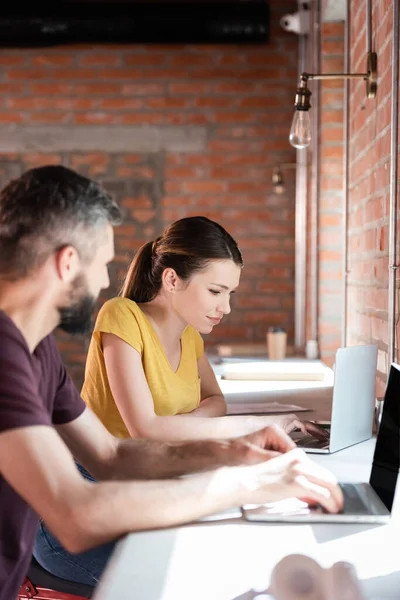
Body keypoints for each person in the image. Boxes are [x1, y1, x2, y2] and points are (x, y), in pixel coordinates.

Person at [0, 165, 343, 600]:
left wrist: (239, 453)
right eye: (102, 264)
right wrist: (251, 482)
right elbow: (75, 515)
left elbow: (111, 453)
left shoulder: (37, 348)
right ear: (68, 262)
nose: (107, 280)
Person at [81, 215, 325, 442]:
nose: (226, 307)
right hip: (101, 477)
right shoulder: (121, 315)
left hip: (161, 465)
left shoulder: (189, 336)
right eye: (215, 291)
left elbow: (217, 401)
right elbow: (145, 430)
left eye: (230, 293)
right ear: (172, 280)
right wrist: (260, 425)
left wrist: (182, 425)